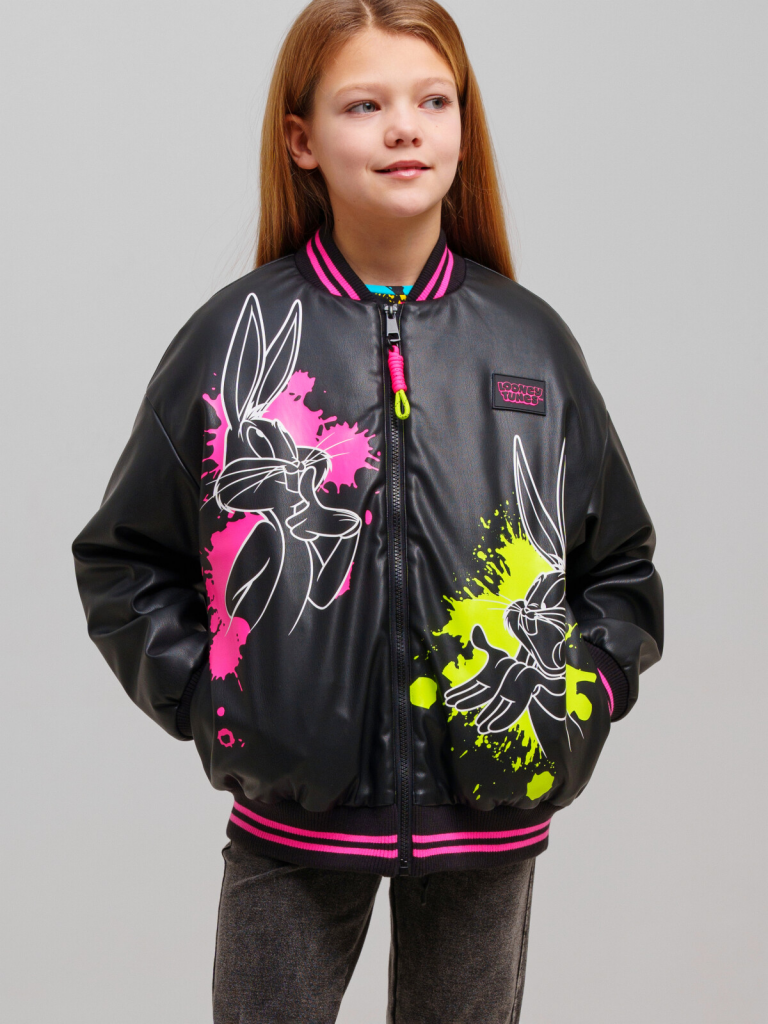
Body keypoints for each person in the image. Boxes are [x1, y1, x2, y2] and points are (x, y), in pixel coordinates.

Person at [72, 1, 664, 1021]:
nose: (404, 129)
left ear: (463, 126)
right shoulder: (235, 340)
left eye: (434, 101)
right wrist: (224, 706)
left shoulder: (529, 345)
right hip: (295, 816)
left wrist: (578, 700)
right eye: (365, 105)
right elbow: (123, 562)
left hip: (490, 813)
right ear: (301, 139)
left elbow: (620, 567)